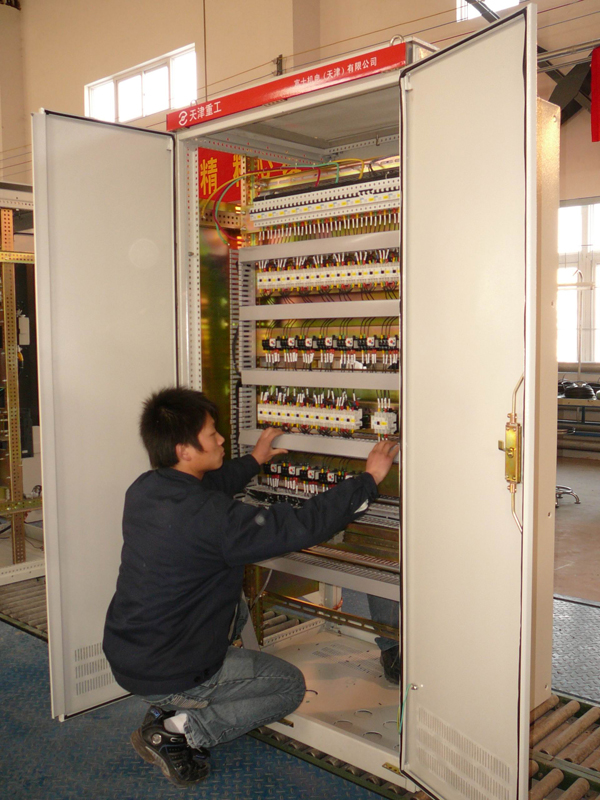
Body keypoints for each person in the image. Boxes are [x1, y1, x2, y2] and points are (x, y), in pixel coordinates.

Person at [103, 387, 399, 788]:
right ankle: (179, 730)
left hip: (132, 651)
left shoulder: (145, 489)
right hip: (171, 666)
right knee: (288, 687)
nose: (222, 438)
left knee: (236, 605)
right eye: (212, 434)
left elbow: (210, 484)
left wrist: (255, 460)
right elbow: (299, 525)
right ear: (184, 450)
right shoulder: (213, 519)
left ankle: (174, 702)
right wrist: (369, 479)